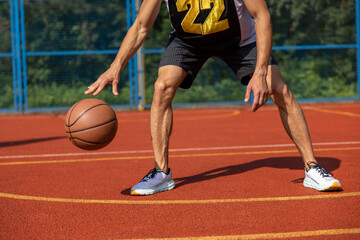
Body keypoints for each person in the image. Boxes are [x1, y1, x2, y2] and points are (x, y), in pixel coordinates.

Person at [85, 0, 342, 195]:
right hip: (189, 42)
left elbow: (261, 16)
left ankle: (312, 168)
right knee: (163, 86)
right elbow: (141, 26)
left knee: (280, 90)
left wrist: (261, 72)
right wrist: (115, 67)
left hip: (241, 41)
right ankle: (161, 172)